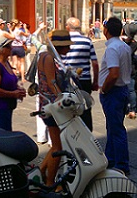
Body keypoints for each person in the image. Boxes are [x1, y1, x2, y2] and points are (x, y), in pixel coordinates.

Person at [37, 29, 74, 185]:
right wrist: (63, 98)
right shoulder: (49, 58)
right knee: (57, 147)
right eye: (67, 46)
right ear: (61, 46)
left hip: (48, 104)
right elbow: (52, 83)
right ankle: (50, 183)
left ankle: (39, 173)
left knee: (55, 145)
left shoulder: (48, 56)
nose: (69, 49)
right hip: (51, 106)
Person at [99, 16, 132, 176]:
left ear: (106, 30)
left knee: (116, 128)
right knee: (112, 126)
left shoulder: (112, 48)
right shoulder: (124, 46)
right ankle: (110, 158)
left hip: (113, 91)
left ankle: (121, 164)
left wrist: (104, 89)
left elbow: (113, 74)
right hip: (122, 89)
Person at [63, 17, 98, 131]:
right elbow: (95, 63)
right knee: (85, 108)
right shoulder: (87, 41)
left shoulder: (63, 41)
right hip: (85, 80)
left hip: (67, 81)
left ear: (67, 27)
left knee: (67, 109)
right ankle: (87, 134)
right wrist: (95, 81)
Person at [0, 36, 26, 131]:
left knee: (7, 131)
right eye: (8, 46)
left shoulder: (6, 63)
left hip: (7, 107)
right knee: (4, 135)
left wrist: (18, 89)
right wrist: (13, 94)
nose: (11, 48)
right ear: (1, 50)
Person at [122, 22, 137, 120]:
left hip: (129, 70)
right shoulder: (128, 42)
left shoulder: (133, 44)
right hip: (123, 69)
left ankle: (132, 109)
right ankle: (125, 107)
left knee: (130, 89)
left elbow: (126, 52)